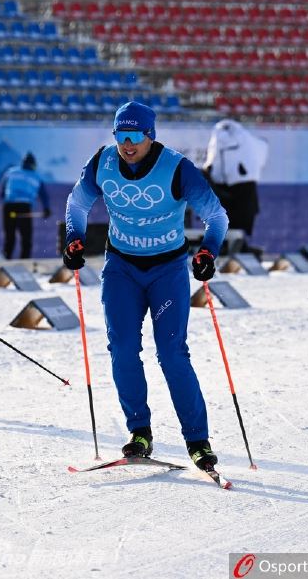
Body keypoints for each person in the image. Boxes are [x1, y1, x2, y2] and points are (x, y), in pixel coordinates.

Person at [62, 101, 229, 473]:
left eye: (135, 136)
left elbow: (217, 216)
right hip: (122, 268)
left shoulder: (177, 168)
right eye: (121, 135)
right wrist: (74, 238)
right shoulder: (102, 162)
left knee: (172, 353)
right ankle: (139, 432)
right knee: (122, 349)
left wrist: (208, 250)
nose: (127, 144)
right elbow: (77, 203)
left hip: (167, 270)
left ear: (150, 136)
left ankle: (197, 441)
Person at [202, 118, 268, 256]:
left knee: (237, 219)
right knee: (228, 218)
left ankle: (237, 244)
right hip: (232, 187)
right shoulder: (241, 138)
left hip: (236, 187)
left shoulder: (232, 137)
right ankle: (230, 245)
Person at [0, 152, 51, 259]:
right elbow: (44, 195)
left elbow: (2, 192)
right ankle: (24, 262)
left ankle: (5, 261)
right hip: (24, 208)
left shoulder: (10, 172)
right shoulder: (36, 177)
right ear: (33, 165)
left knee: (9, 237)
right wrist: (46, 209)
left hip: (9, 207)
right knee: (26, 238)